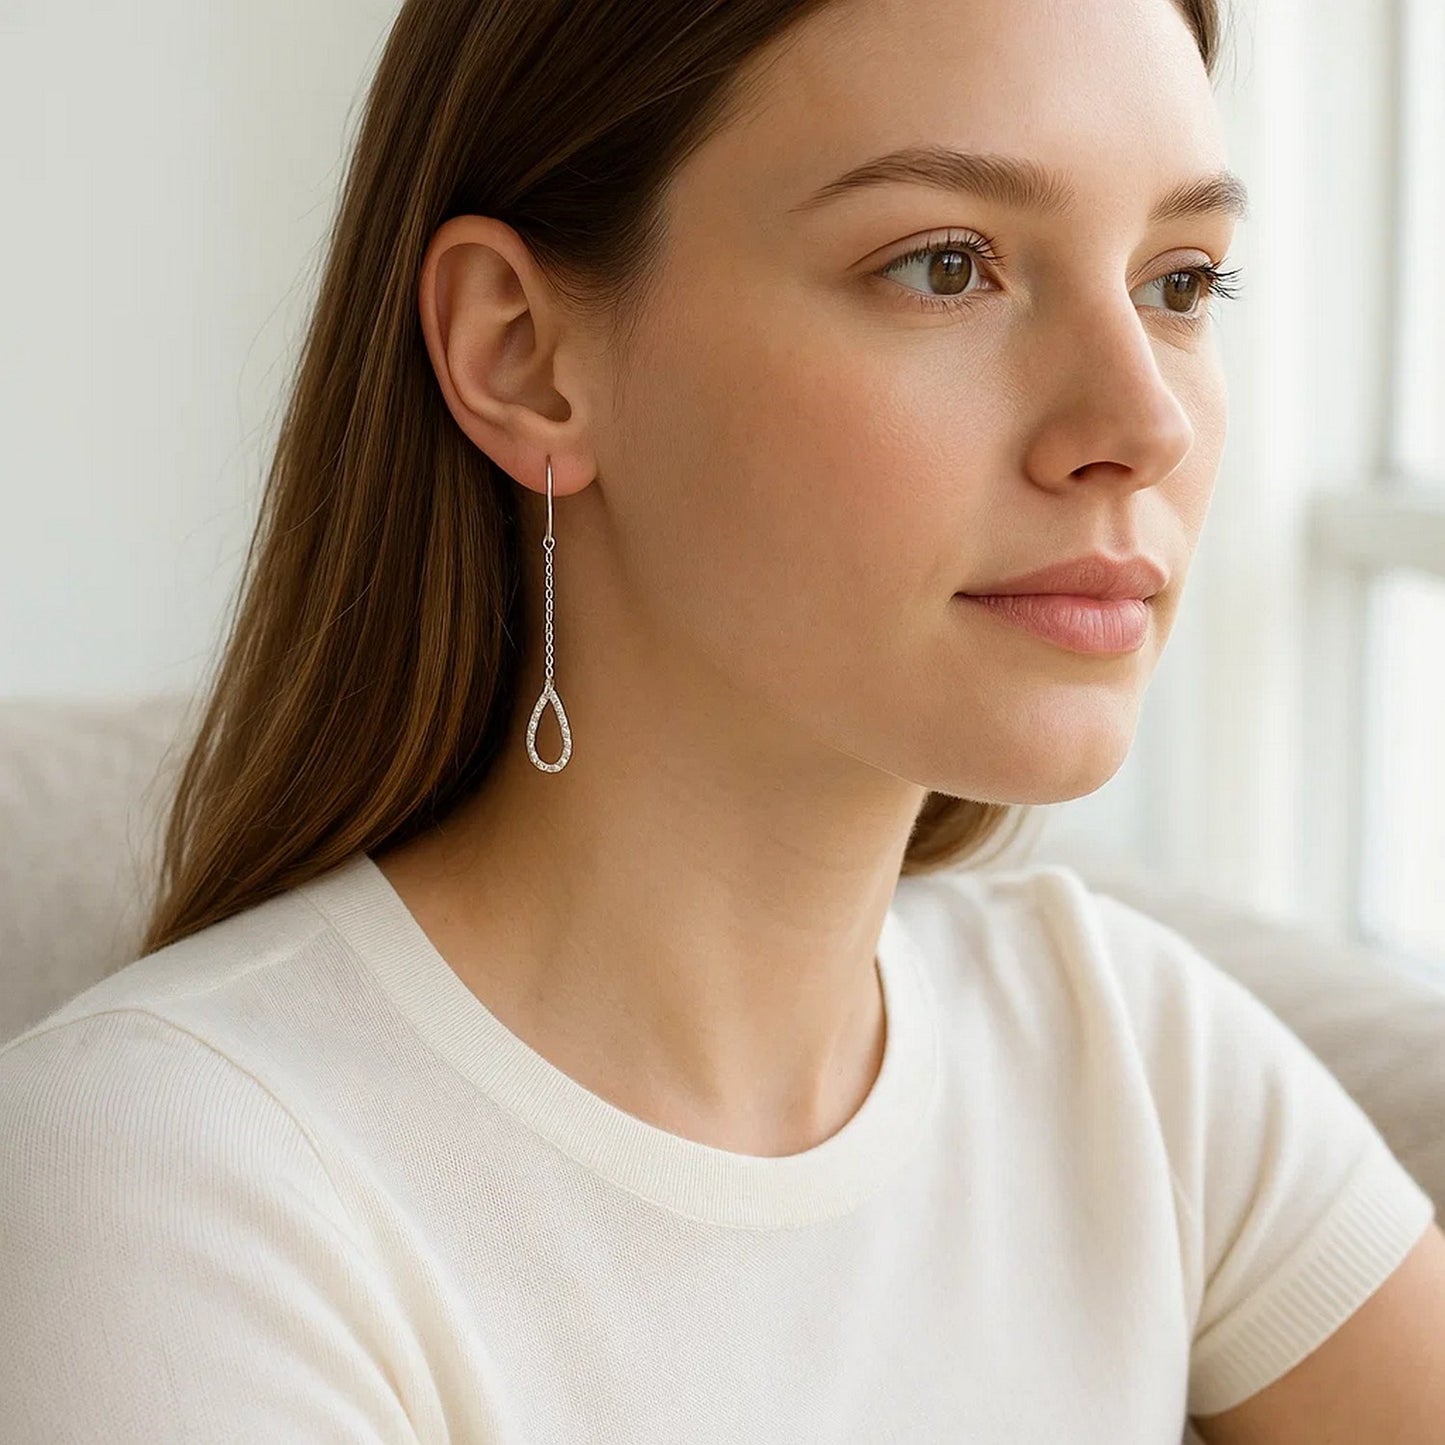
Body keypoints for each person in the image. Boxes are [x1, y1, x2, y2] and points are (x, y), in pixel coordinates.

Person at [3, 0, 1443, 1440]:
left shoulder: (1135, 1062)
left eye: (1180, 283)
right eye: (946, 265)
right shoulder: (169, 1179)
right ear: (522, 354)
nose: (1143, 421)